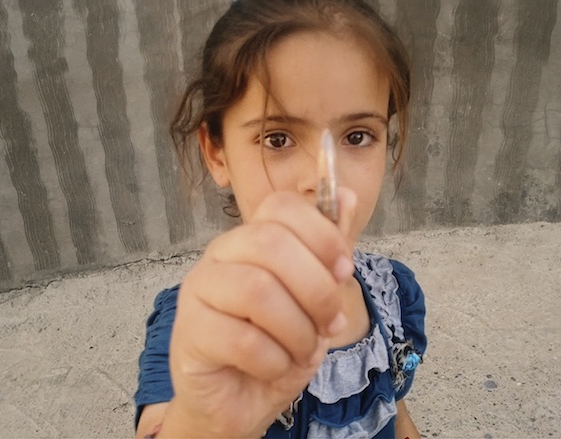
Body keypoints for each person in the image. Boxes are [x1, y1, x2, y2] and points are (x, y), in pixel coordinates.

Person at [134, 0, 427, 437]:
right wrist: (204, 422)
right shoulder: (196, 329)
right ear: (216, 152)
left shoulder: (396, 296)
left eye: (358, 136)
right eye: (277, 137)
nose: (322, 179)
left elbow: (395, 410)